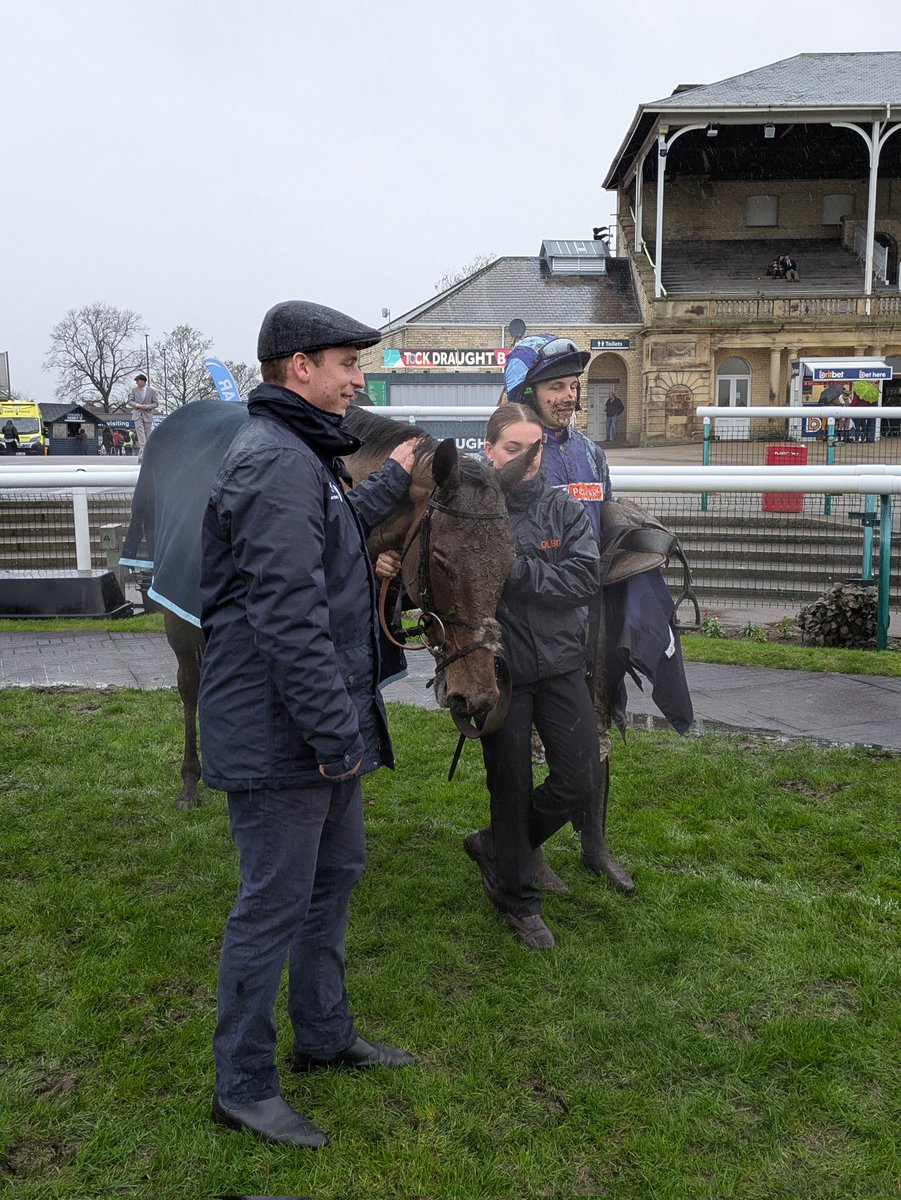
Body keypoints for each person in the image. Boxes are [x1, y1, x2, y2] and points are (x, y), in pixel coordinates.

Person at [198, 301, 418, 1150]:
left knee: (335, 879)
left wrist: (391, 482)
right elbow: (287, 620)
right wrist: (337, 740)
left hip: (319, 731)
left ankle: (324, 1036)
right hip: (283, 737)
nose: (357, 379)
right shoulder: (271, 462)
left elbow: (329, 539)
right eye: (345, 363)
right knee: (272, 906)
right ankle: (243, 1086)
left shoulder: (303, 455)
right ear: (298, 367)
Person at [464, 404, 601, 949]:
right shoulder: (470, 510)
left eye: (535, 447)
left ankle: (498, 845)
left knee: (579, 780)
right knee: (511, 785)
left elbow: (584, 578)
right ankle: (519, 900)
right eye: (513, 448)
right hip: (502, 673)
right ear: (490, 449)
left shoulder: (562, 509)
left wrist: (515, 570)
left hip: (563, 663)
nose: (526, 458)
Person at [503, 334, 634, 894]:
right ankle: (524, 851)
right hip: (527, 626)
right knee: (529, 747)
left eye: (573, 385)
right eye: (556, 385)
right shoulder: (509, 451)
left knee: (594, 729)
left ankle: (594, 843)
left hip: (588, 617)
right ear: (525, 392)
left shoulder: (591, 453)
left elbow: (603, 522)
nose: (570, 395)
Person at [127, 372, 160, 458]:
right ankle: (144, 452)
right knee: (140, 433)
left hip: (147, 414)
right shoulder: (134, 390)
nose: (136, 383)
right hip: (137, 414)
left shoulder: (152, 391)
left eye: (137, 381)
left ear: (143, 381)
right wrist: (137, 405)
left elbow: (156, 403)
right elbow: (130, 401)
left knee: (147, 434)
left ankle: (144, 453)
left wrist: (147, 406)